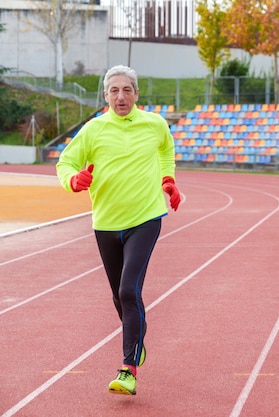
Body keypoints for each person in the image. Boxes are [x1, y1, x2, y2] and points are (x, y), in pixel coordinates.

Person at [56, 65, 181, 395]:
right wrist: (73, 180)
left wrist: (168, 180)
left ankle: (128, 368)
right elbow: (65, 162)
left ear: (137, 94)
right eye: (114, 91)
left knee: (128, 290)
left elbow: (166, 150)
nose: (121, 96)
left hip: (146, 217)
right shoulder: (93, 130)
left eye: (127, 90)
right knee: (119, 296)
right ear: (105, 96)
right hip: (106, 223)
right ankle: (137, 339)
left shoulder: (155, 124)